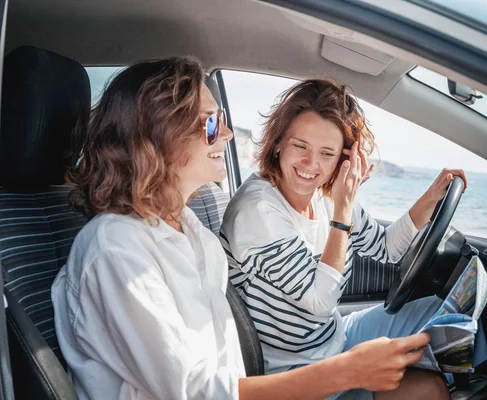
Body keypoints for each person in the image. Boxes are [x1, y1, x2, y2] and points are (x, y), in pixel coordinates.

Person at [51, 57, 448, 400]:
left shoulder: (188, 230)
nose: (224, 134)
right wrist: (346, 371)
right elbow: (197, 392)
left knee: (436, 342)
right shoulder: (115, 248)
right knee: (426, 389)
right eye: (210, 125)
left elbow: (219, 373)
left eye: (220, 121)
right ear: (156, 136)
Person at [221, 79, 470, 398]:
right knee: (429, 389)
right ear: (278, 143)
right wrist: (342, 210)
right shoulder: (257, 211)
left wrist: (431, 196)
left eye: (327, 153)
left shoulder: (324, 195)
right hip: (299, 371)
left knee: (450, 317)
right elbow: (320, 304)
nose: (311, 165)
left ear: (343, 159)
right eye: (301, 146)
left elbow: (386, 248)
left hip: (333, 339)